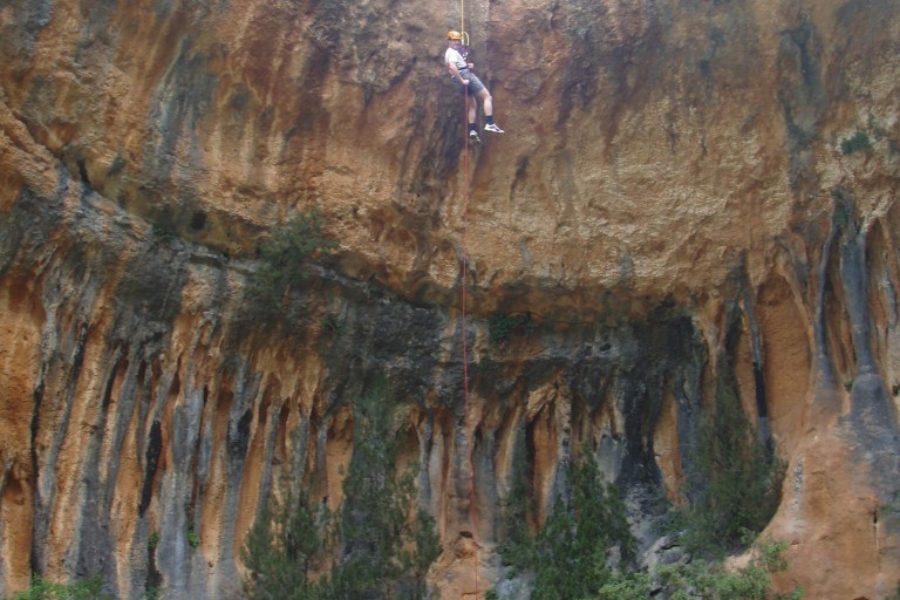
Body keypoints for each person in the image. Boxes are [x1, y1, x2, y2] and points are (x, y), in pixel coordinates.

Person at [444, 30, 504, 143]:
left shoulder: (450, 52)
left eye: (458, 40)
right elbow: (452, 67)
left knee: (472, 105)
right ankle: (490, 123)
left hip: (457, 79)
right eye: (454, 40)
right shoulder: (451, 52)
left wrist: (467, 65)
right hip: (465, 76)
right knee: (487, 97)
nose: (456, 42)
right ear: (449, 41)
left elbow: (455, 65)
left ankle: (472, 130)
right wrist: (462, 79)